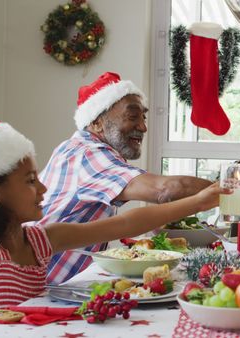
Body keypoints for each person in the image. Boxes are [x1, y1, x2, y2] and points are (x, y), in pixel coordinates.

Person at [0, 109, 224, 334]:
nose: (43, 187)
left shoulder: (40, 240)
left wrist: (200, 202)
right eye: (29, 181)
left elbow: (127, 224)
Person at [37, 72, 212, 284]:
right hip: (35, 289)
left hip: (48, 283)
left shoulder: (75, 147)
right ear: (97, 123)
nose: (143, 126)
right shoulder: (88, 154)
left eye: (143, 117)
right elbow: (165, 190)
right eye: (132, 117)